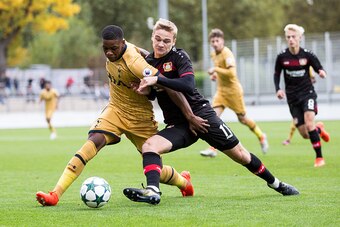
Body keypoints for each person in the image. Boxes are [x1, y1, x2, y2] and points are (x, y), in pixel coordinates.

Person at [123, 18, 299, 205]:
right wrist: (145, 91)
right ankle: (152, 190)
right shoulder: (148, 62)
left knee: (241, 155)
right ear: (152, 37)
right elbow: (155, 93)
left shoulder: (179, 57)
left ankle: (276, 184)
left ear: (174, 41)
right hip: (180, 124)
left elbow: (188, 85)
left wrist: (157, 80)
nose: (161, 44)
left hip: (202, 116)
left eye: (166, 41)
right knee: (149, 147)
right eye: (158, 39)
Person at [35, 25, 196, 206]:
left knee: (153, 167)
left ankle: (184, 182)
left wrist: (189, 115)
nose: (109, 53)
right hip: (115, 110)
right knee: (93, 141)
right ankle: (55, 194)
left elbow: (166, 84)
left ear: (122, 43)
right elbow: (141, 51)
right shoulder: (120, 48)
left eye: (114, 48)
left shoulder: (135, 63)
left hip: (140, 118)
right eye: (106, 48)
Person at [200, 28, 268, 157]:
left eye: (217, 40)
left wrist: (216, 69)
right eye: (212, 41)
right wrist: (215, 75)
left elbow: (232, 73)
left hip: (233, 92)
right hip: (221, 91)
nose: (215, 43)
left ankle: (261, 136)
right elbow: (220, 71)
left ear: (222, 41)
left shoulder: (227, 54)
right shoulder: (213, 54)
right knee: (213, 117)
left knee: (242, 119)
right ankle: (213, 149)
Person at [274, 24, 330, 167]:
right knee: (305, 134)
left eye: (294, 36)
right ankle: (319, 130)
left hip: (307, 93)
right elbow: (276, 74)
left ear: (300, 38)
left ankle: (319, 158)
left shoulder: (307, 54)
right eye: (288, 37)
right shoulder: (282, 57)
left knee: (309, 122)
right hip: (292, 98)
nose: (291, 39)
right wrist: (278, 89)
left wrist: (321, 72)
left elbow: (319, 67)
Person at [282, 67, 316, 145]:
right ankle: (319, 130)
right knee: (304, 133)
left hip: (306, 97)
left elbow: (314, 79)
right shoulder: (290, 65)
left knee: (306, 124)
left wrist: (306, 82)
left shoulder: (308, 66)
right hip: (295, 98)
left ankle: (288, 139)